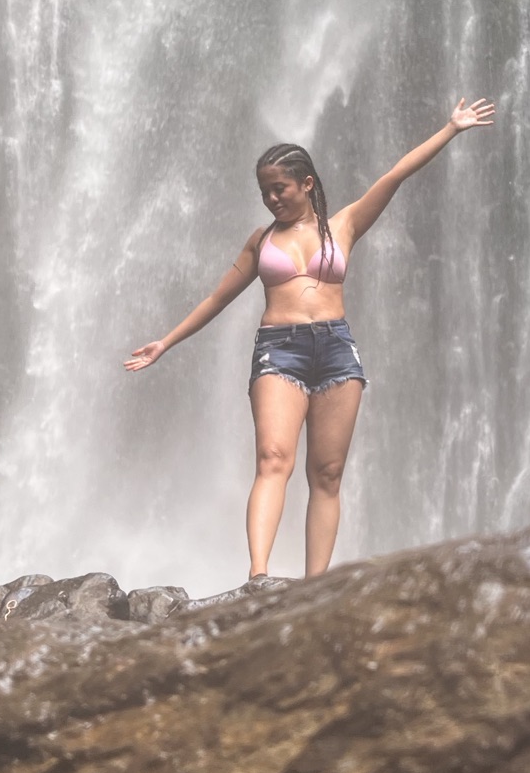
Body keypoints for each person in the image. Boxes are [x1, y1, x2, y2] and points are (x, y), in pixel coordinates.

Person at [125, 98, 495, 584]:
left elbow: (396, 174)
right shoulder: (260, 241)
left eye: (278, 188)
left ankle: (313, 585)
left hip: (337, 349)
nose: (271, 199)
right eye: (264, 192)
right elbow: (218, 298)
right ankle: (258, 577)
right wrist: (165, 343)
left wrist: (451, 128)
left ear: (306, 183)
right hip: (279, 349)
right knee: (272, 459)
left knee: (327, 474)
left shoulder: (344, 225)